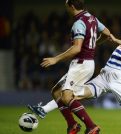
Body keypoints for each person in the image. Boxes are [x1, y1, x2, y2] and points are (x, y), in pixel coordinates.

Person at [52, 14, 121, 134]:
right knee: (69, 96)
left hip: (120, 79)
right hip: (104, 76)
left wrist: (116, 40)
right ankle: (72, 123)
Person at [28, 0, 110, 134]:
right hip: (86, 63)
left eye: (66, 4)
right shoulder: (92, 18)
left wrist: (56, 59)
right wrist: (92, 45)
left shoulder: (79, 23)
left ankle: (91, 126)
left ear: (71, 6)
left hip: (81, 64)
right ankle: (72, 125)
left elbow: (76, 48)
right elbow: (107, 33)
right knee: (56, 92)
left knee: (66, 97)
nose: (65, 7)